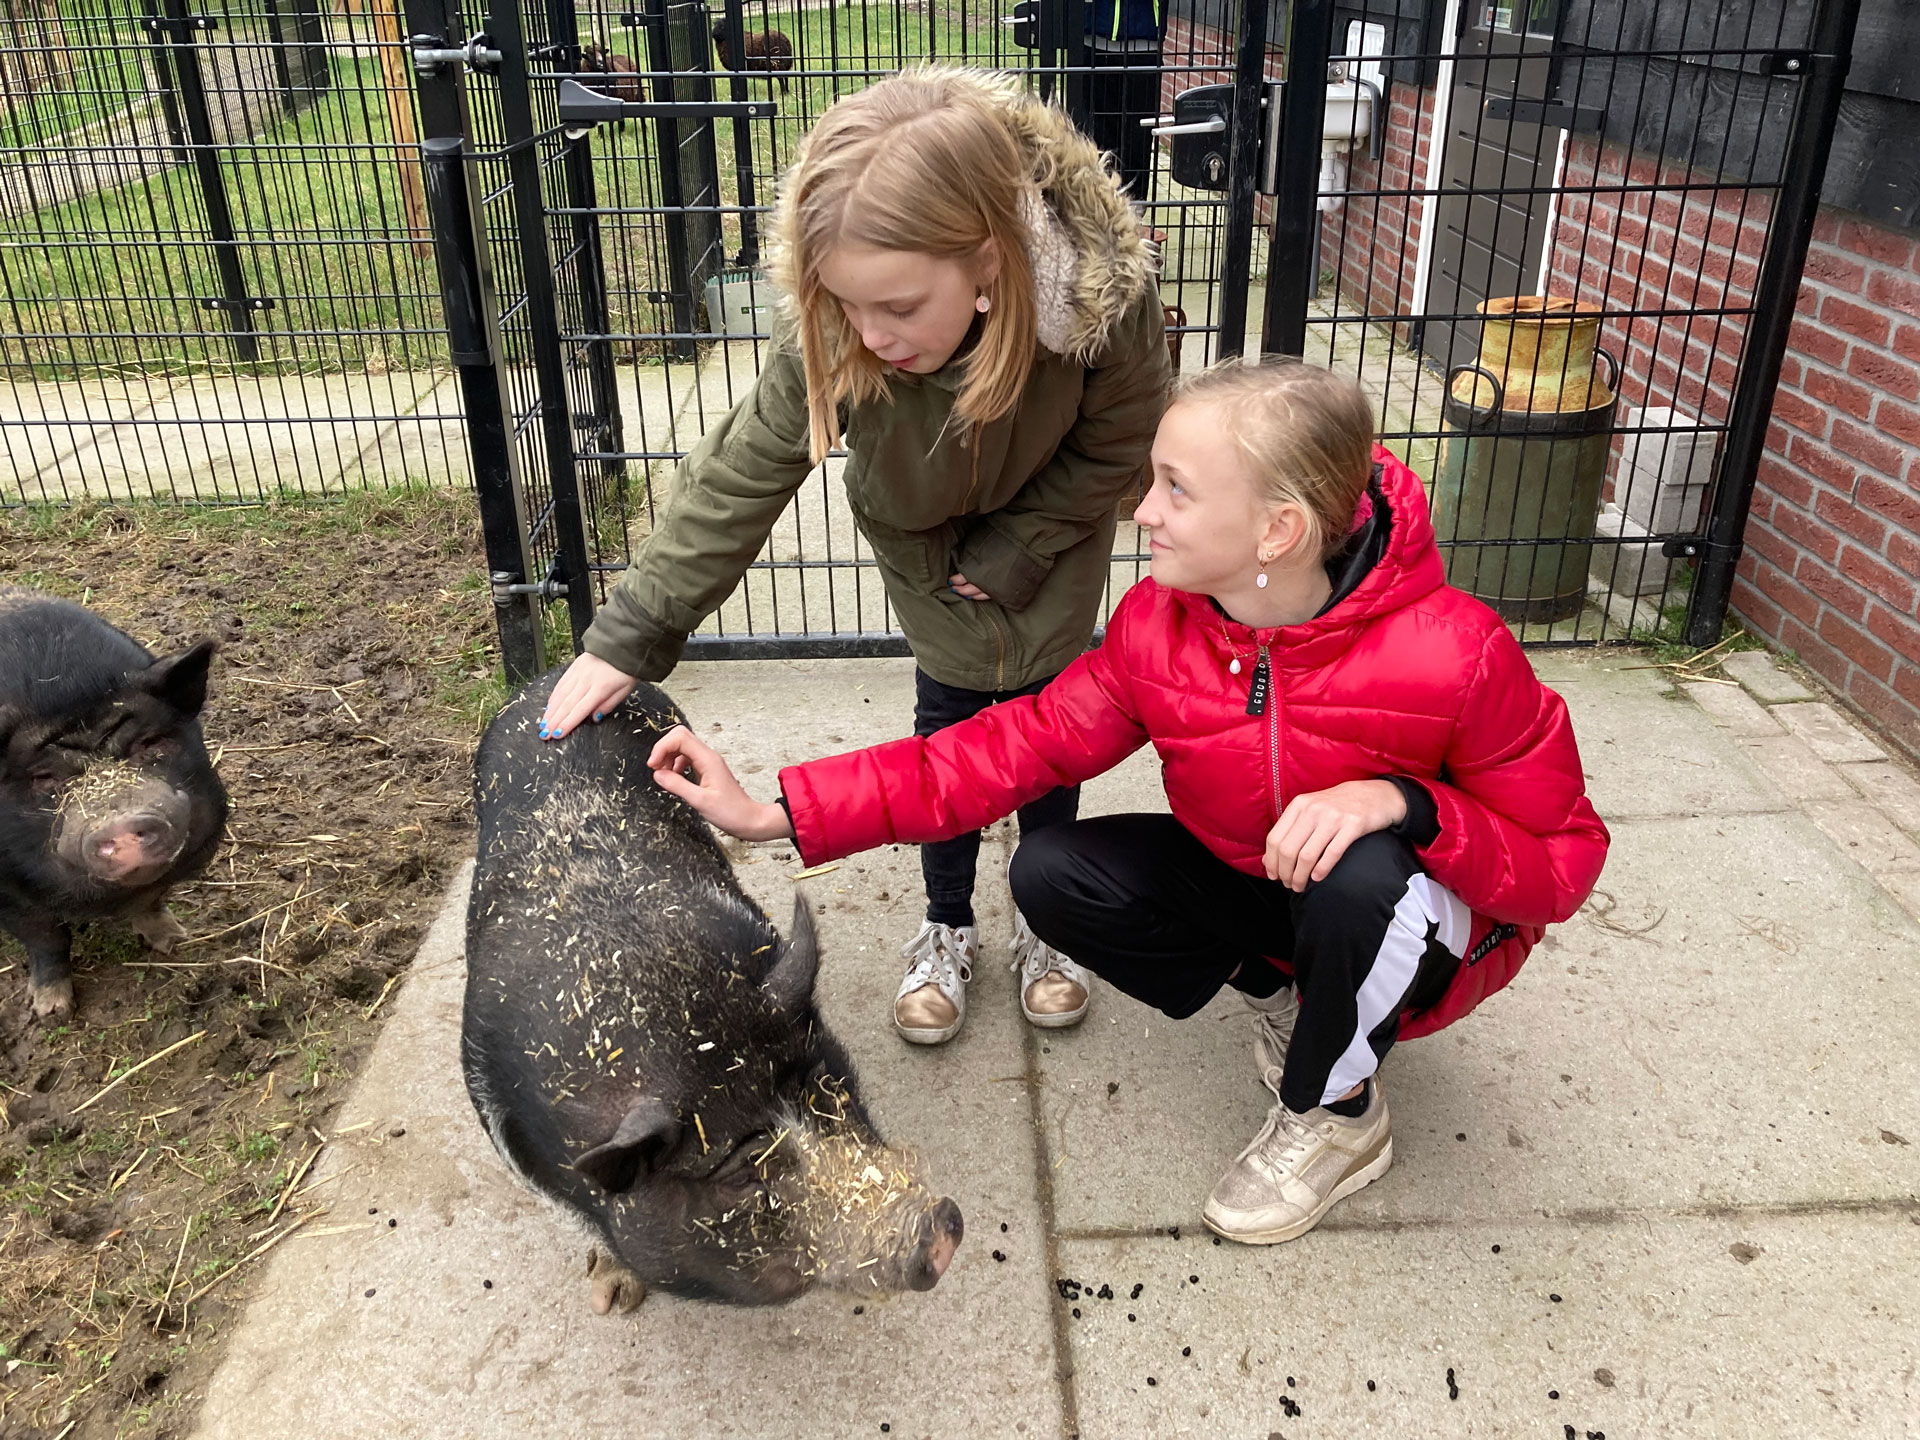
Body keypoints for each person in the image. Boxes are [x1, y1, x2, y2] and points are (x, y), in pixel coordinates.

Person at [642, 360, 1610, 1245]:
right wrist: (778, 813)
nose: (1142, 511)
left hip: (1426, 924)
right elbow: (1000, 750)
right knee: (1052, 871)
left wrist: (1405, 803)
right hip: (1272, 891)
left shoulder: (1456, 652)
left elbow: (1563, 864)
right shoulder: (1162, 629)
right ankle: (1292, 997)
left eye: (1175, 490)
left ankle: (1340, 1112)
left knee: (1362, 872)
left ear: (1277, 530)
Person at [538, 66, 1172, 1048]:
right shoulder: (847, 327)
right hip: (928, 559)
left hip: (1053, 545)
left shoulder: (1097, 308)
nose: (872, 336)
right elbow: (745, 466)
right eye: (848, 305)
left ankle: (1050, 927)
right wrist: (636, 628)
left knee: (1051, 737)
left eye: (902, 306)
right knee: (947, 726)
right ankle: (947, 922)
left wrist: (1025, 543)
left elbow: (1123, 436)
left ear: (991, 262)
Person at [1083, 0, 1169, 203]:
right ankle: (1096, 208)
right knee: (1096, 138)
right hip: (1093, 39)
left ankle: (1134, 212)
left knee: (1138, 138)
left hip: (1144, 43)